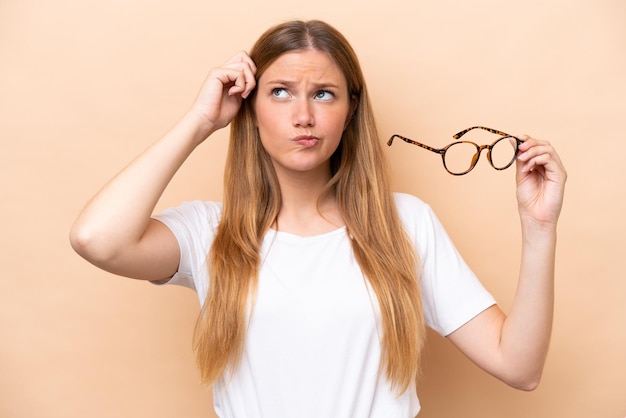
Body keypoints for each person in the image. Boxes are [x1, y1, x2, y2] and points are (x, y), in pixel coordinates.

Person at [70, 19, 567, 417]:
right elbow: (97, 238)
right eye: (281, 92)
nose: (303, 115)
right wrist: (200, 120)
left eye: (324, 94)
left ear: (350, 111)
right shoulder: (211, 233)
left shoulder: (405, 224)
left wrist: (539, 228)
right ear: (250, 107)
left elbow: (519, 366)